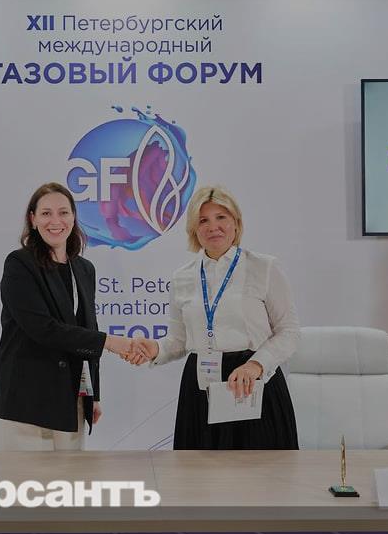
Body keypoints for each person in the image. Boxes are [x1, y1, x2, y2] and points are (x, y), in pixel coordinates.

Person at [129, 186, 301, 450]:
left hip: (253, 383)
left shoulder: (264, 267)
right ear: (194, 230)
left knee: (263, 472)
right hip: (200, 386)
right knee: (200, 472)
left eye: (221, 217)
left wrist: (256, 365)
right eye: (203, 220)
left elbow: (289, 332)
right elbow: (178, 341)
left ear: (236, 223)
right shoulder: (183, 276)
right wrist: (156, 349)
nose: (213, 227)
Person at [0, 182, 137, 451]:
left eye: (63, 212)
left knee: (70, 478)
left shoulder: (84, 269)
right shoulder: (19, 264)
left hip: (71, 402)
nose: (55, 221)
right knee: (26, 479)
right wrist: (110, 342)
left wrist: (93, 395)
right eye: (46, 213)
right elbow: (44, 329)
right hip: (27, 404)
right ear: (33, 219)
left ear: (73, 218)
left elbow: (87, 327)